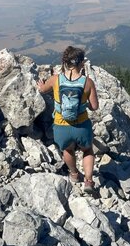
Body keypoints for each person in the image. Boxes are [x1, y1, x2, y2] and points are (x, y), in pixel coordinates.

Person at [37, 46, 99, 193]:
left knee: (68, 150)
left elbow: (42, 90)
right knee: (88, 150)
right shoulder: (87, 82)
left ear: (64, 62)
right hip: (81, 125)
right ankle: (89, 182)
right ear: (81, 63)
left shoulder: (55, 80)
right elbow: (94, 107)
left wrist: (40, 85)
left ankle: (74, 174)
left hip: (61, 125)